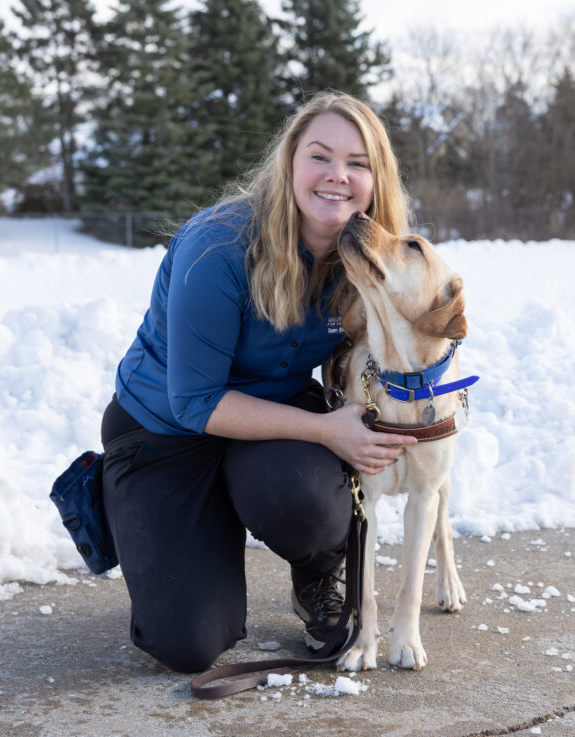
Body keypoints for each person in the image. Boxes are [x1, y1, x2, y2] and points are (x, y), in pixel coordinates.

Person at [99, 91, 419, 673]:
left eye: (358, 163)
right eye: (320, 156)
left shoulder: (371, 259)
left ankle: (318, 575)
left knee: (308, 501)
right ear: (290, 162)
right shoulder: (218, 246)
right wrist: (326, 430)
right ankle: (140, 506)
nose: (337, 177)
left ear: (378, 179)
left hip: (271, 418)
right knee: (188, 645)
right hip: (165, 428)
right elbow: (195, 402)